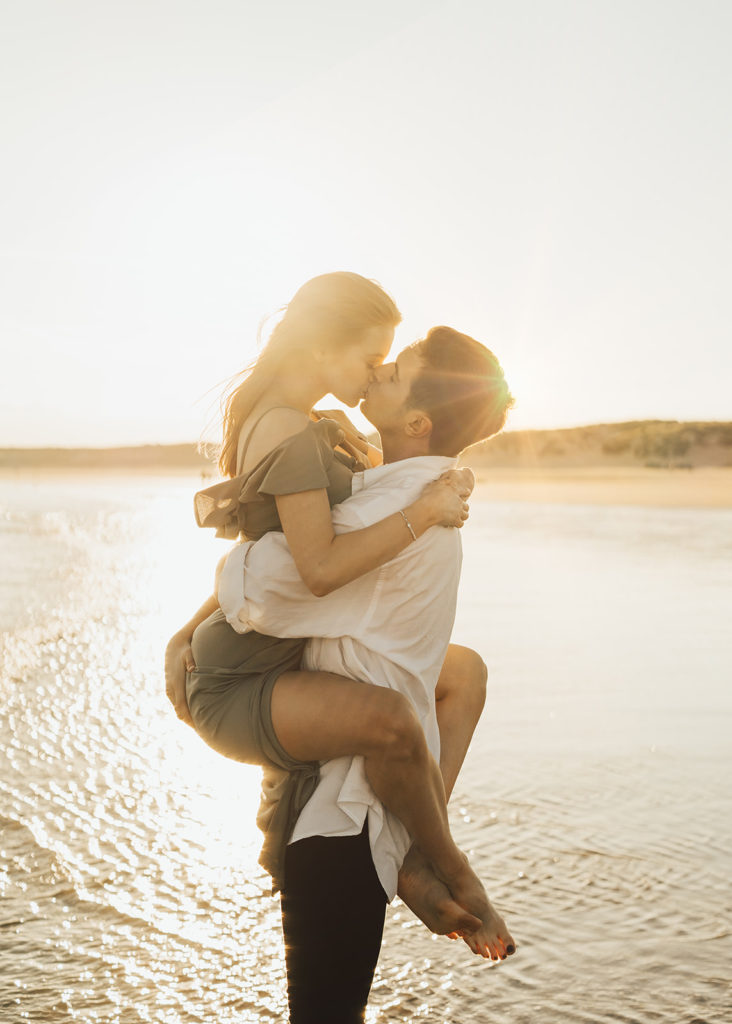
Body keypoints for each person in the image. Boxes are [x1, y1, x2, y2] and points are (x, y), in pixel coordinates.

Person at [211, 327, 517, 1020]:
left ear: (417, 421)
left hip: (338, 821)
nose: (378, 368)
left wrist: (228, 565)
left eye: (398, 368)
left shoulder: (386, 512)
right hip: (365, 824)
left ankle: (438, 862)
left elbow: (268, 596)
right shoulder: (418, 494)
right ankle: (424, 859)